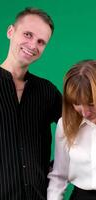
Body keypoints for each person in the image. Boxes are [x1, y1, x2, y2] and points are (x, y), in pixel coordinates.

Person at [0, 7, 62, 200]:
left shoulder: (47, 91)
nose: (33, 44)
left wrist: (60, 170)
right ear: (11, 31)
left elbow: (79, 126)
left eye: (41, 42)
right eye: (28, 34)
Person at [47, 59, 96, 200]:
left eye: (91, 104)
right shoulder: (65, 125)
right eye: (77, 103)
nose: (85, 112)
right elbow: (59, 176)